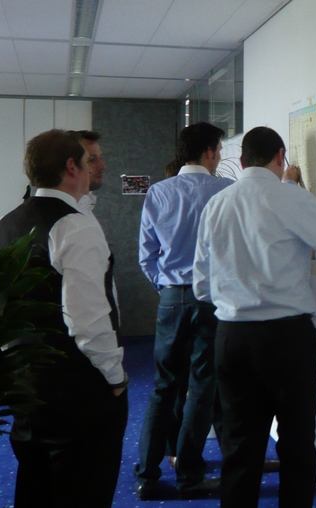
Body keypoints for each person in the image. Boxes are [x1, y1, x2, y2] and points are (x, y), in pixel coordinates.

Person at [193, 126, 316, 508]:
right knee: (296, 447)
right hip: (287, 341)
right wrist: (313, 254)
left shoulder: (217, 205)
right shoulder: (290, 198)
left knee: (240, 451)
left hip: (232, 339)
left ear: (240, 162)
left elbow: (201, 288)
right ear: (280, 157)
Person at [0, 129, 128, 508]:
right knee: (83, 492)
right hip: (77, 391)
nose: (92, 169)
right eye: (87, 162)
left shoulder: (5, 223)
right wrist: (115, 378)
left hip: (27, 387)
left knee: (35, 489)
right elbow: (87, 322)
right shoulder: (75, 225)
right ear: (71, 167)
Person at [135, 122, 233, 500]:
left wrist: (167, 287)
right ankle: (189, 474)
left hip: (172, 298)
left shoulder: (157, 192)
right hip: (211, 300)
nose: (220, 156)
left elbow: (147, 255)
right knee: (201, 388)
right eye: (219, 150)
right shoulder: (225, 191)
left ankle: (147, 472)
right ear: (209, 152)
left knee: (162, 385)